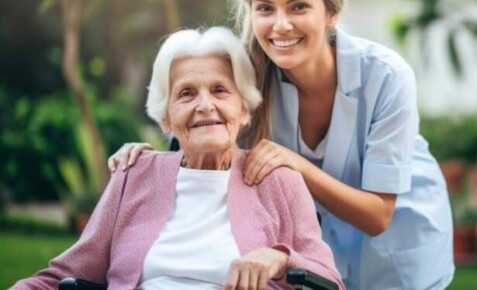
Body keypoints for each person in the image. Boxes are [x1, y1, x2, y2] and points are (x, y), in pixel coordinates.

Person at [109, 0, 454, 290]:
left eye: (298, 7)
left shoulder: (386, 75)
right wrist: (142, 160)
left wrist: (295, 164)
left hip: (398, 242)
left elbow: (379, 215)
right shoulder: (247, 75)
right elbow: (194, 142)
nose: (281, 25)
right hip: (316, 251)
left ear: (331, 13)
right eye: (265, 9)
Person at [12, 27, 343, 290]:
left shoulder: (278, 180)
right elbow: (62, 277)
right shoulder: (134, 173)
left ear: (243, 110)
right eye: (186, 93)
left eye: (219, 90)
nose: (204, 105)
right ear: (165, 118)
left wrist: (279, 259)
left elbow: (329, 280)